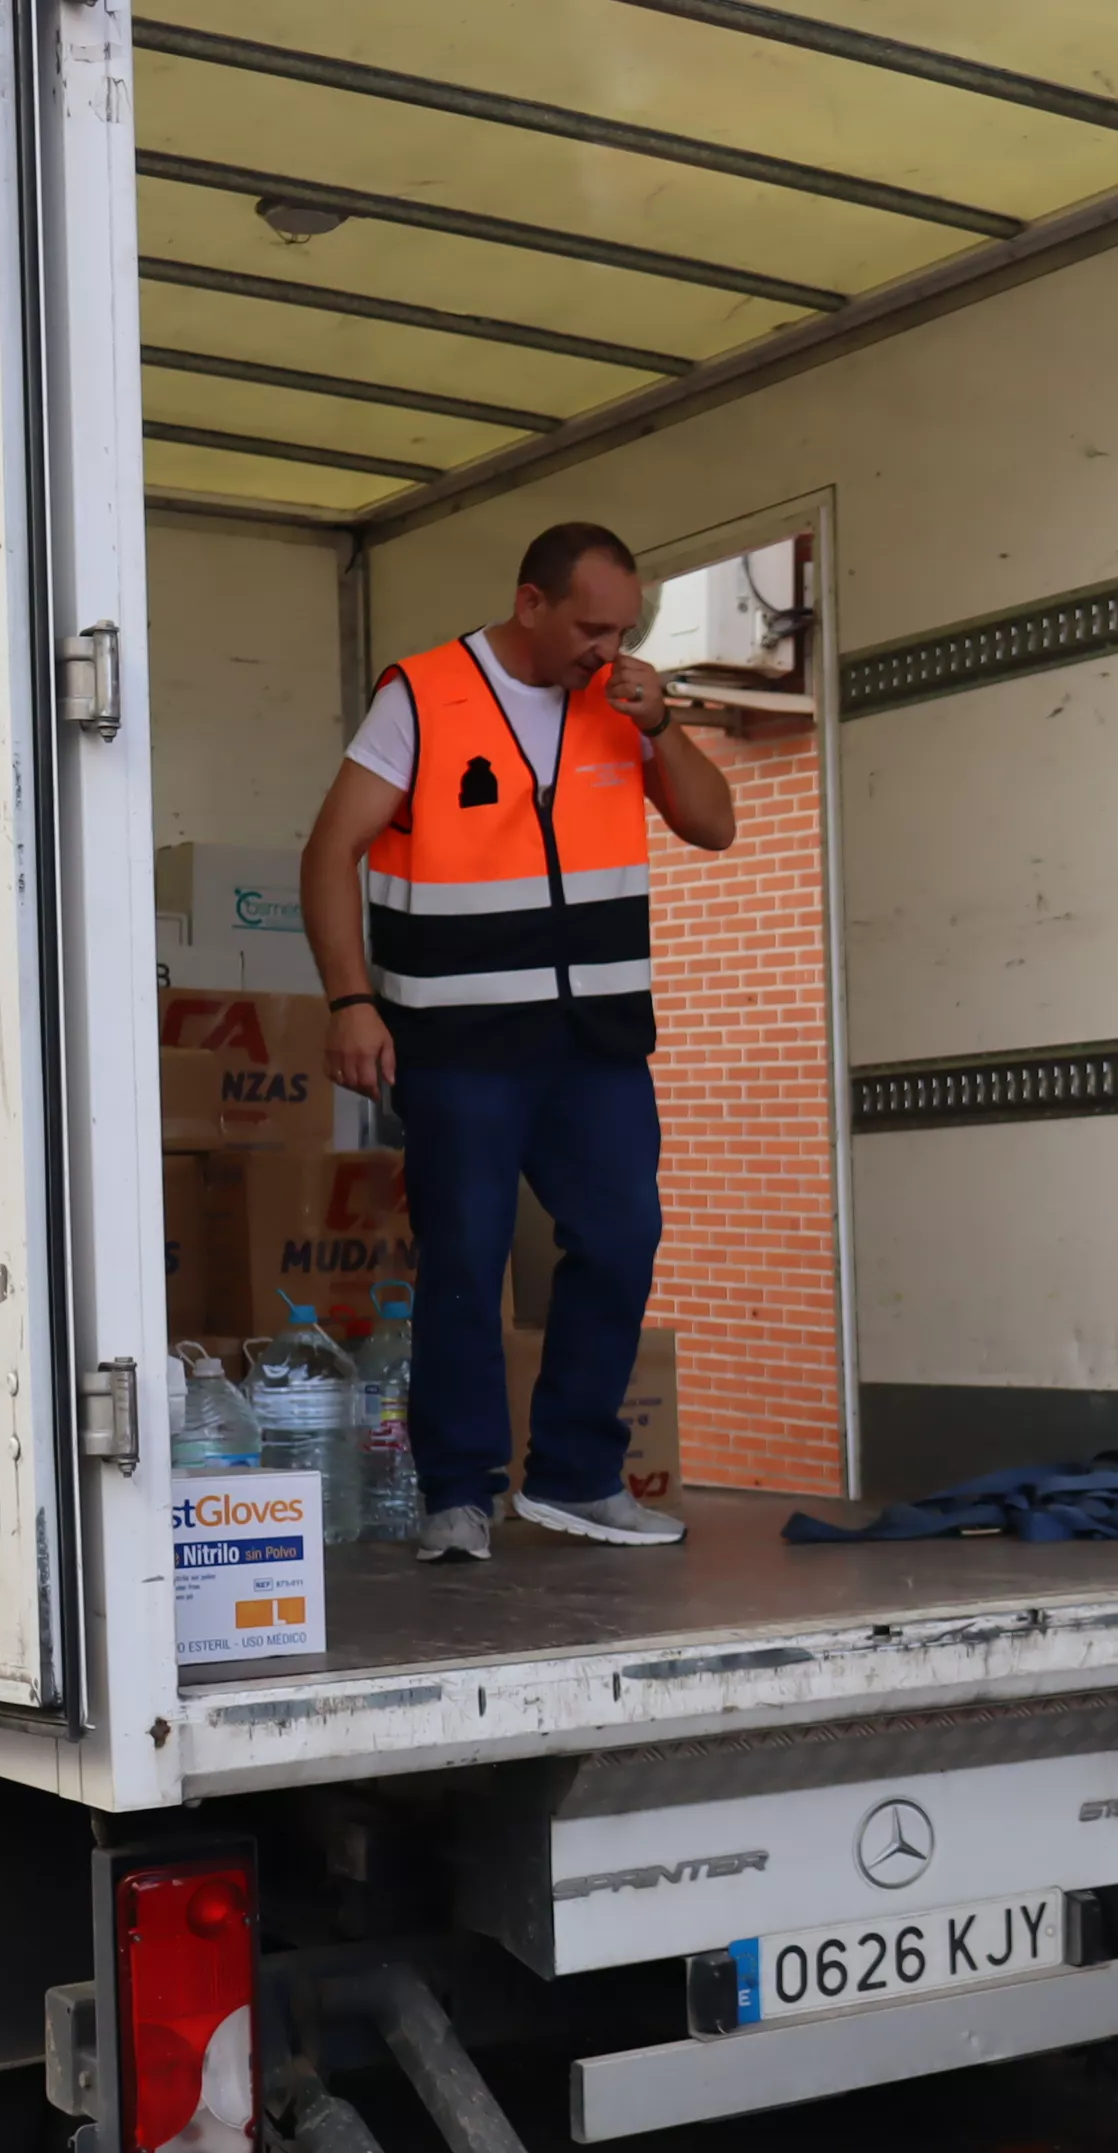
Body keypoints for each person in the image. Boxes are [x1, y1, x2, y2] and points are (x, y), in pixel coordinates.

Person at [300, 522, 737, 1564]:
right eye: (591, 625)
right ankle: (458, 1495)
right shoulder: (424, 695)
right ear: (530, 603)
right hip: (460, 1040)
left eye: (624, 628)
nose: (607, 646)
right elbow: (329, 850)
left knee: (623, 1239)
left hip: (597, 1038)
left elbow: (715, 826)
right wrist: (349, 1000)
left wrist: (663, 722)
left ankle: (579, 1479)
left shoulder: (624, 705)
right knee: (465, 1259)